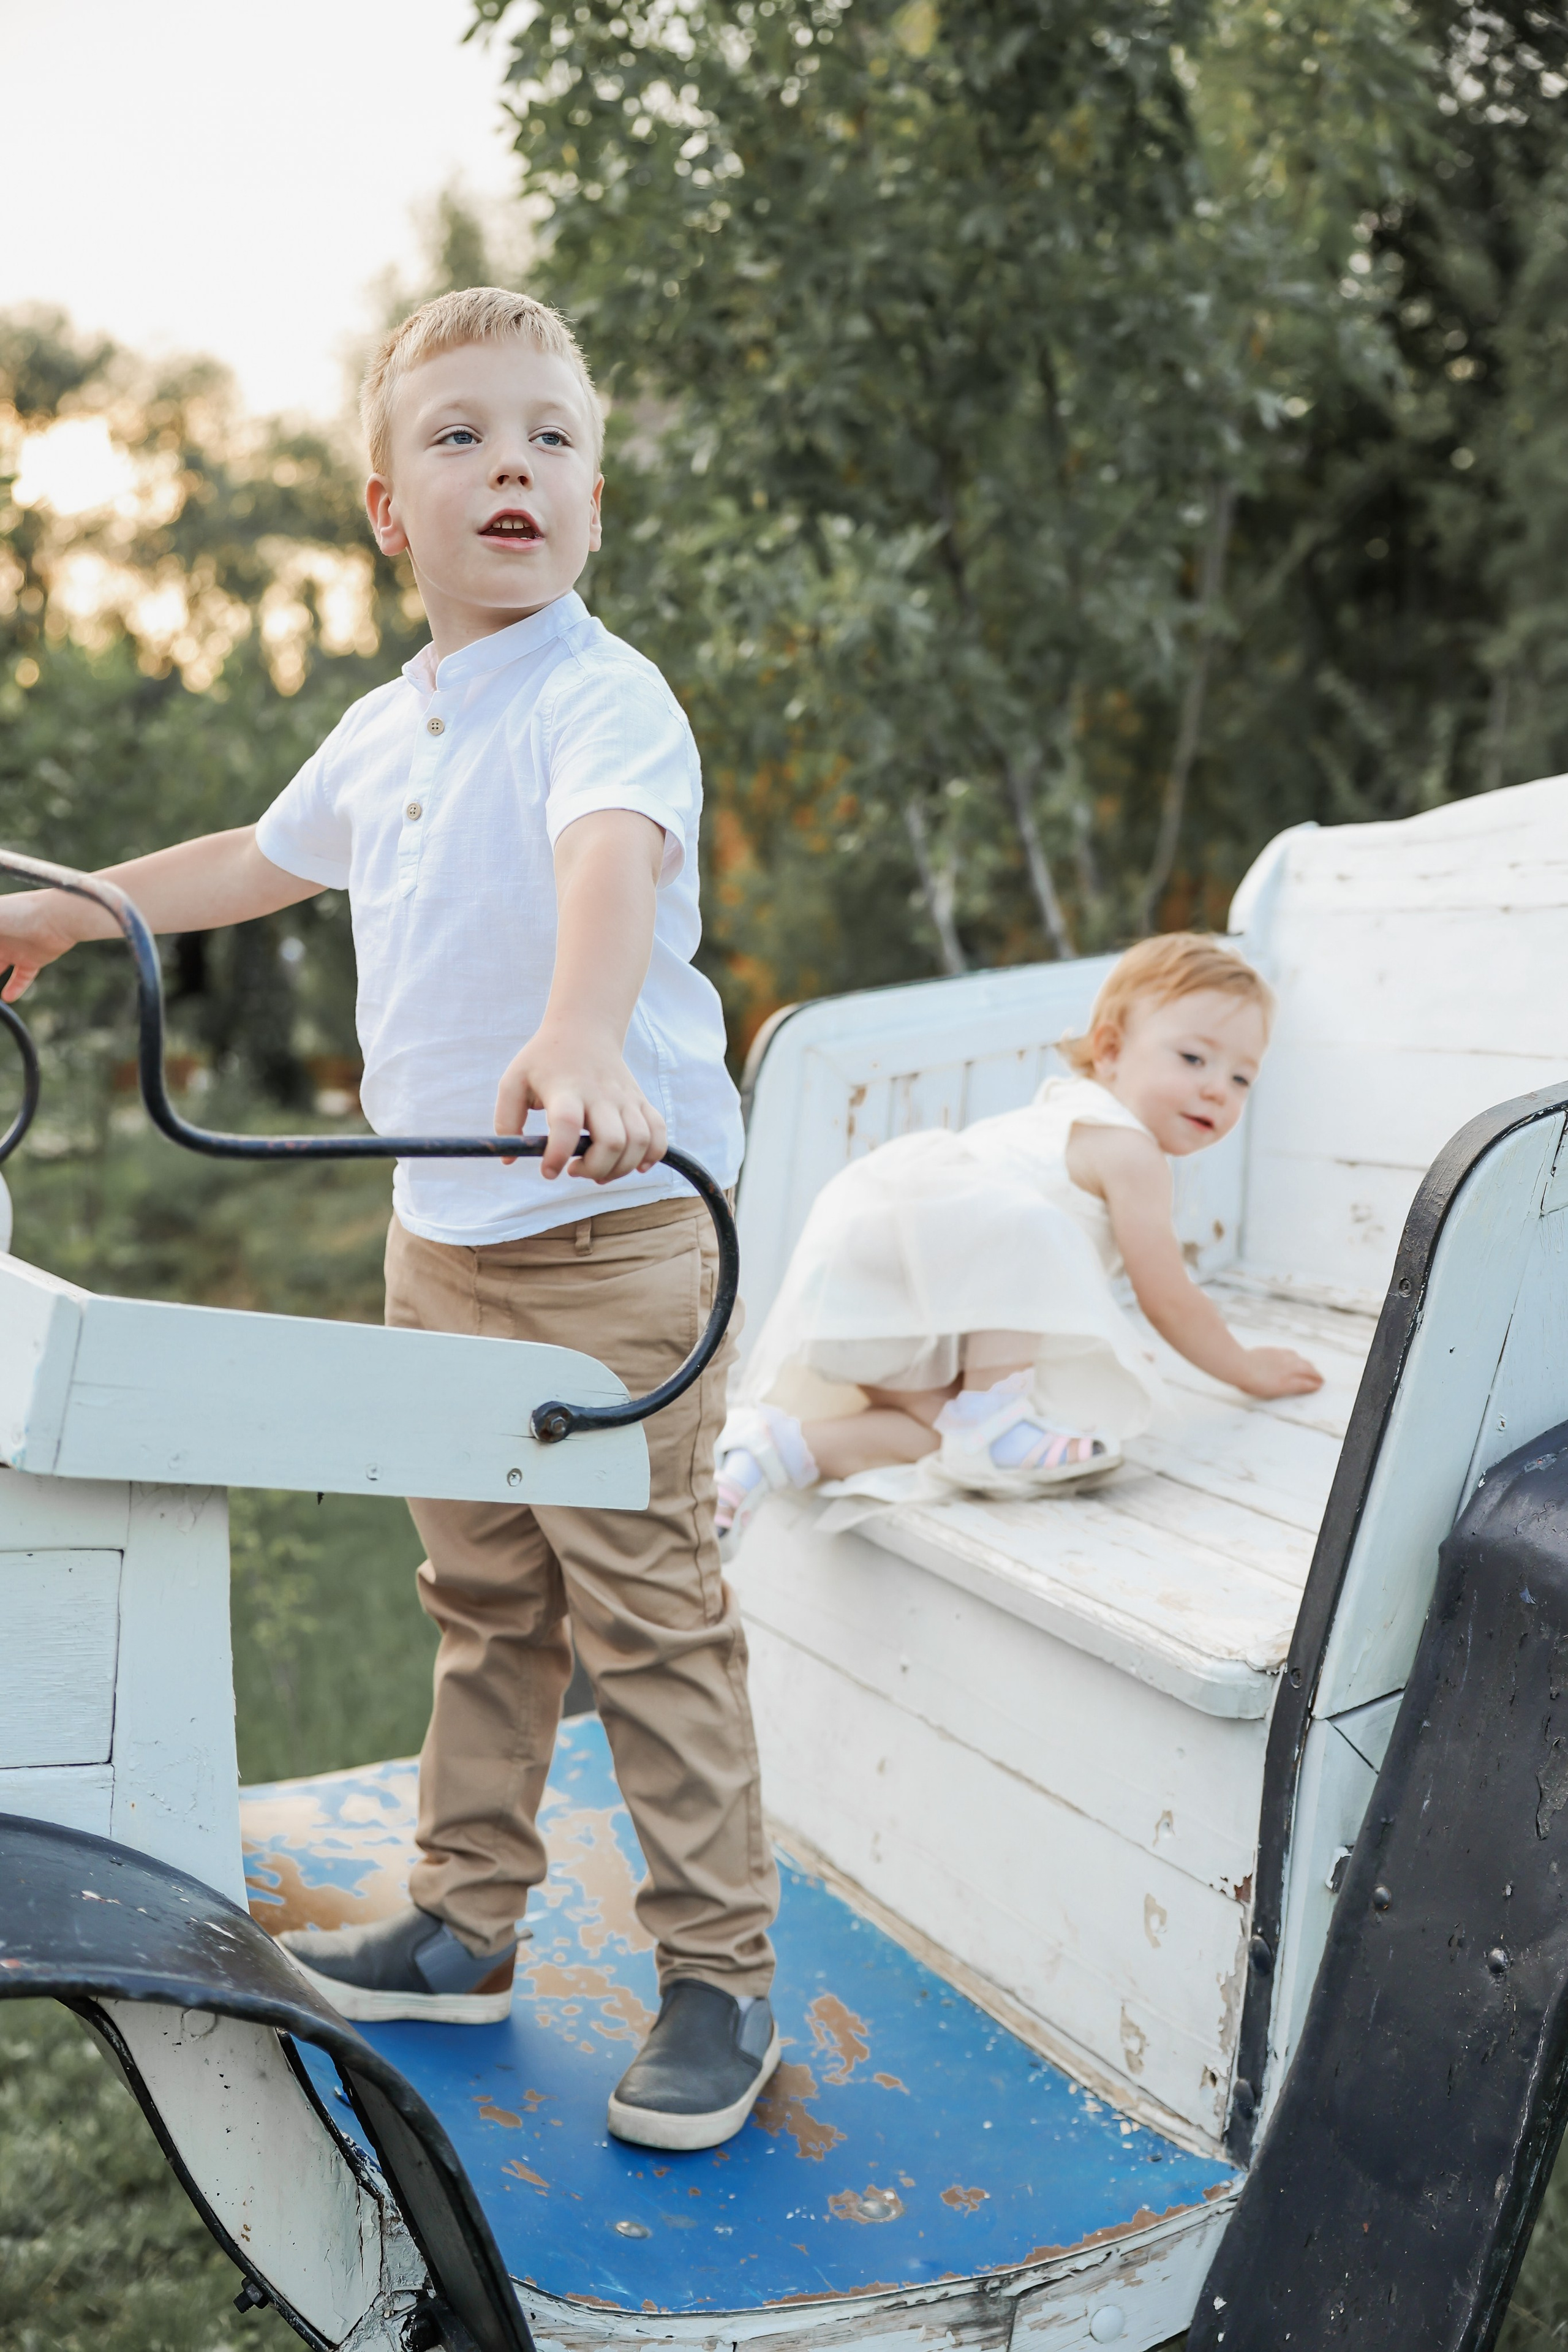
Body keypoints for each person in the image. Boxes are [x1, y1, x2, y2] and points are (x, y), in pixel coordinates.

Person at [0, 288, 779, 2154]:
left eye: (550, 438)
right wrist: (72, 909)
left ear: (589, 503)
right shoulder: (388, 724)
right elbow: (256, 859)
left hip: (613, 1233)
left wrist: (579, 1034)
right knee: (484, 1597)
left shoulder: (602, 699)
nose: (514, 463)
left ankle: (719, 1974)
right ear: (385, 510)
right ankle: (463, 1921)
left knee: (645, 1612)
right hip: (440, 1236)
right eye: (461, 435)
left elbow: (608, 865)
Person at [717, 933, 1322, 1547]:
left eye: (1242, 1078)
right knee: (1024, 1252)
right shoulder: (1129, 1150)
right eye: (1193, 1059)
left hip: (867, 1287)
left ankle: (766, 1451)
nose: (1218, 1089)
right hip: (913, 1280)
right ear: (1110, 1050)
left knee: (941, 1438)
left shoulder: (1062, 1111)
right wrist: (1246, 1368)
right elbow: (1168, 1298)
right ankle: (994, 1416)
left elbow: (1020, 1292)